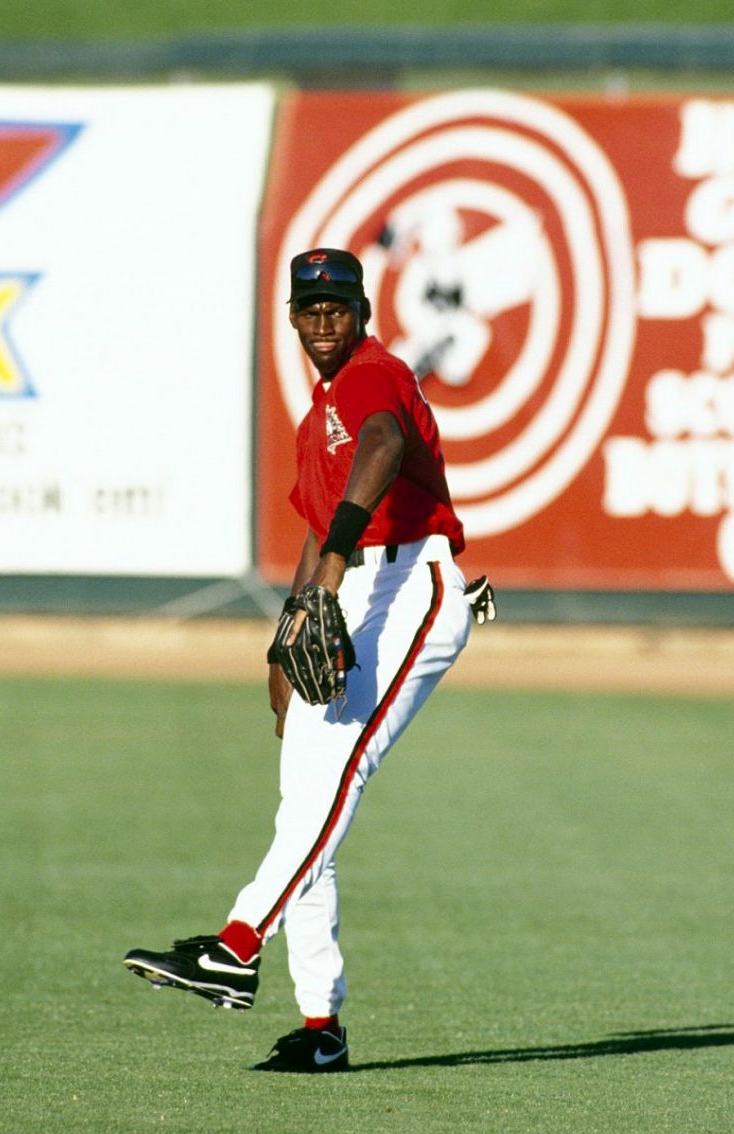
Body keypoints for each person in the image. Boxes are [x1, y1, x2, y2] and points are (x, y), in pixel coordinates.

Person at [124, 247, 491, 1073]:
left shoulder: (372, 374)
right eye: (309, 308)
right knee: (305, 802)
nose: (324, 321)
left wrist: (331, 566)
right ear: (293, 317)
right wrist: (286, 639)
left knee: (337, 782)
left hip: (412, 587)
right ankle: (320, 1025)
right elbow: (314, 522)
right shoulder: (314, 412)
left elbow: (387, 442)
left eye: (337, 306)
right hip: (354, 593)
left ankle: (237, 943)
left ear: (361, 311)